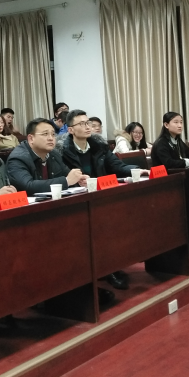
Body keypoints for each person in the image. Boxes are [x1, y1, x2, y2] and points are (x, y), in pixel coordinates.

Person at [59, 109, 136, 291]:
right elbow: (64, 177)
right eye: (82, 124)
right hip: (77, 201)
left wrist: (136, 170)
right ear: (70, 130)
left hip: (100, 196)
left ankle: (112, 265)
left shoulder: (98, 146)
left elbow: (116, 165)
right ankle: (106, 270)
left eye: (88, 123)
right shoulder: (62, 151)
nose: (88, 127)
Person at [7, 118, 86, 195]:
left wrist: (79, 180)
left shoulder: (54, 154)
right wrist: (66, 181)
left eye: (53, 134)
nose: (51, 138)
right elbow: (28, 186)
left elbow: (68, 175)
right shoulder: (18, 158)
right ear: (31, 138)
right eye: (45, 134)